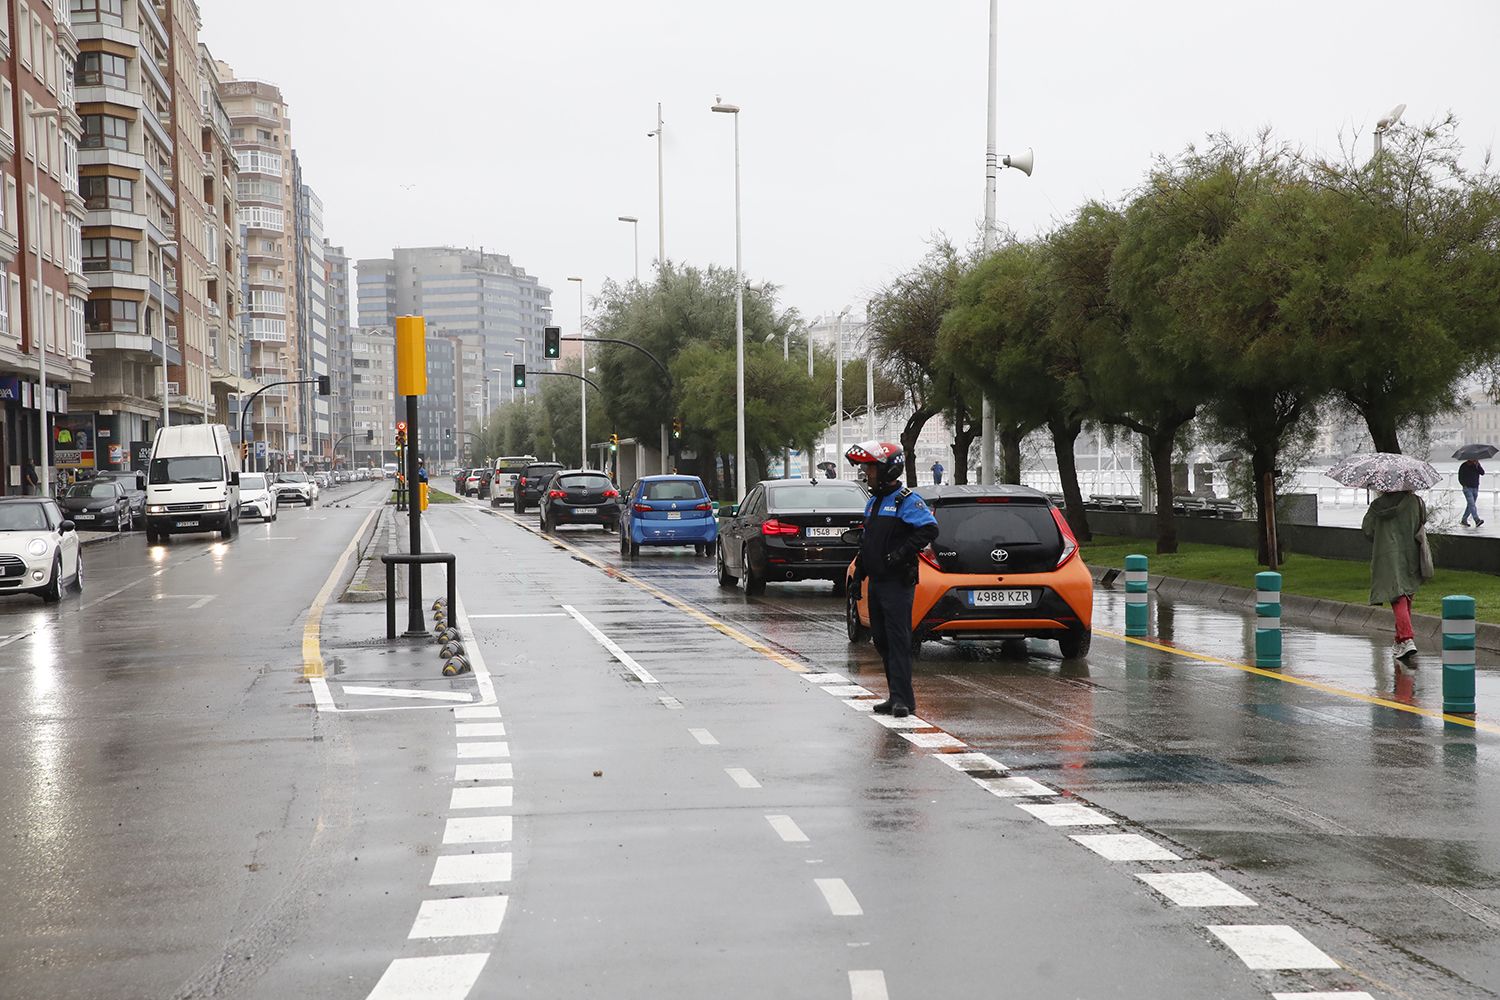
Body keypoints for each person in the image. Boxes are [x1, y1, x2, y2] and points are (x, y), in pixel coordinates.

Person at [847, 441, 939, 717]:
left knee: (898, 640)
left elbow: (928, 530)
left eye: (871, 467)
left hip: (897, 582)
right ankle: (897, 696)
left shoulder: (906, 500)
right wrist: (858, 576)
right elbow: (867, 542)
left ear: (889, 469)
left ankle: (902, 699)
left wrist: (899, 555)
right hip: (875, 582)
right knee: (881, 640)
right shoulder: (874, 501)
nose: (866, 472)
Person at [1362, 490, 1426, 660]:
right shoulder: (1416, 502)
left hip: (1387, 555)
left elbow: (1368, 531)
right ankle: (1400, 640)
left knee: (1397, 597)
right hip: (1410, 553)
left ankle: (1406, 638)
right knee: (1406, 594)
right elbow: (1422, 521)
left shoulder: (1377, 506)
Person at [1459, 458, 1485, 527]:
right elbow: (1460, 477)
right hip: (1467, 488)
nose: (1474, 460)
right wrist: (1464, 485)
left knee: (1470, 505)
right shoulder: (1464, 466)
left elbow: (1482, 473)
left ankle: (1464, 520)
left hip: (1475, 487)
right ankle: (1477, 520)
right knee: (1472, 504)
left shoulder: (1476, 465)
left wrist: (1477, 466)